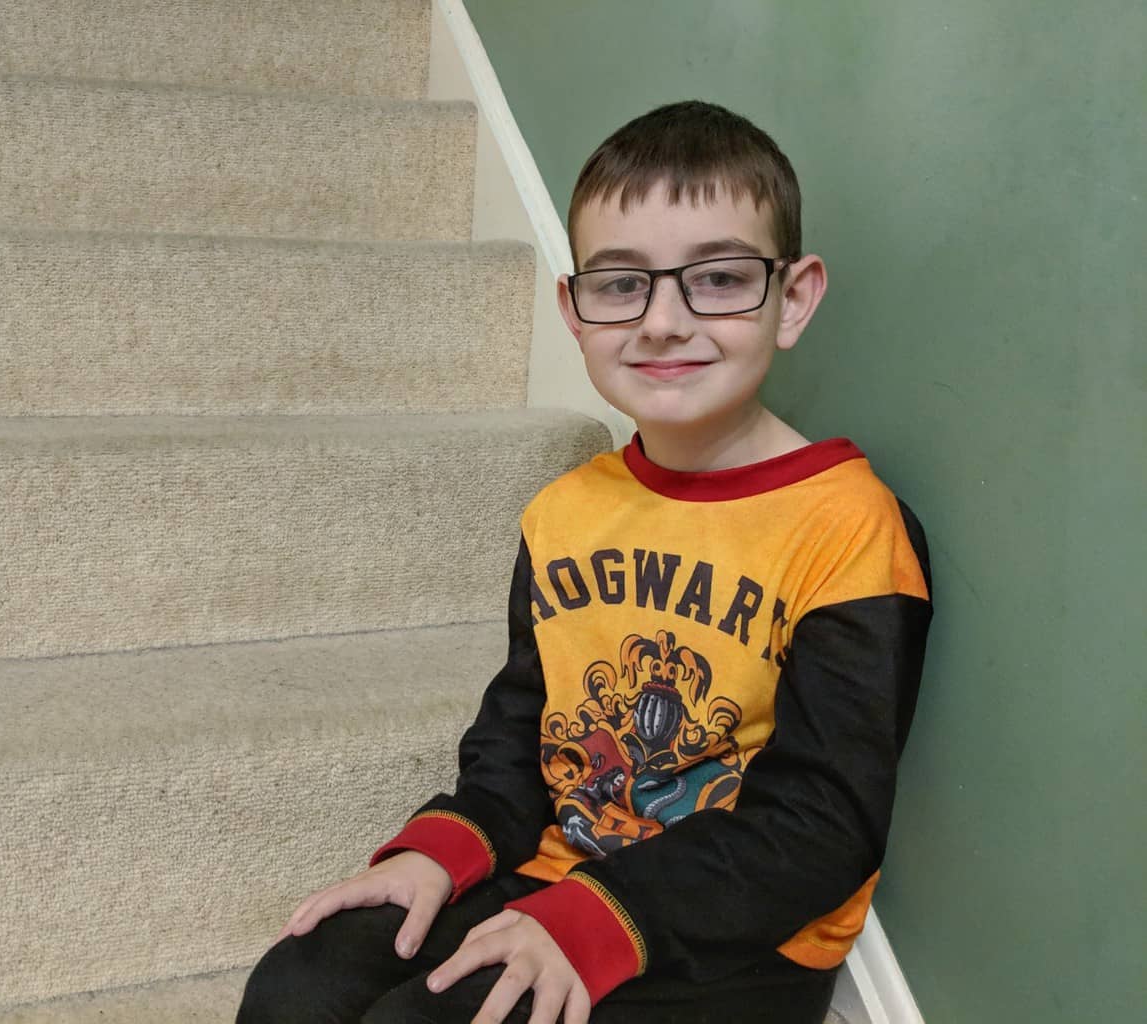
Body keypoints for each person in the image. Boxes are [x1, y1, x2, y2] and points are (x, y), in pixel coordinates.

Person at [236, 100, 933, 1024]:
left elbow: (820, 822)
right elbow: (521, 725)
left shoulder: (850, 526)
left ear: (793, 298)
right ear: (573, 310)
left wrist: (601, 918)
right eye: (619, 285)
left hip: (727, 933)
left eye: (718, 279)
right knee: (300, 983)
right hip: (561, 868)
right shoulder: (563, 512)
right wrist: (443, 847)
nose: (661, 321)